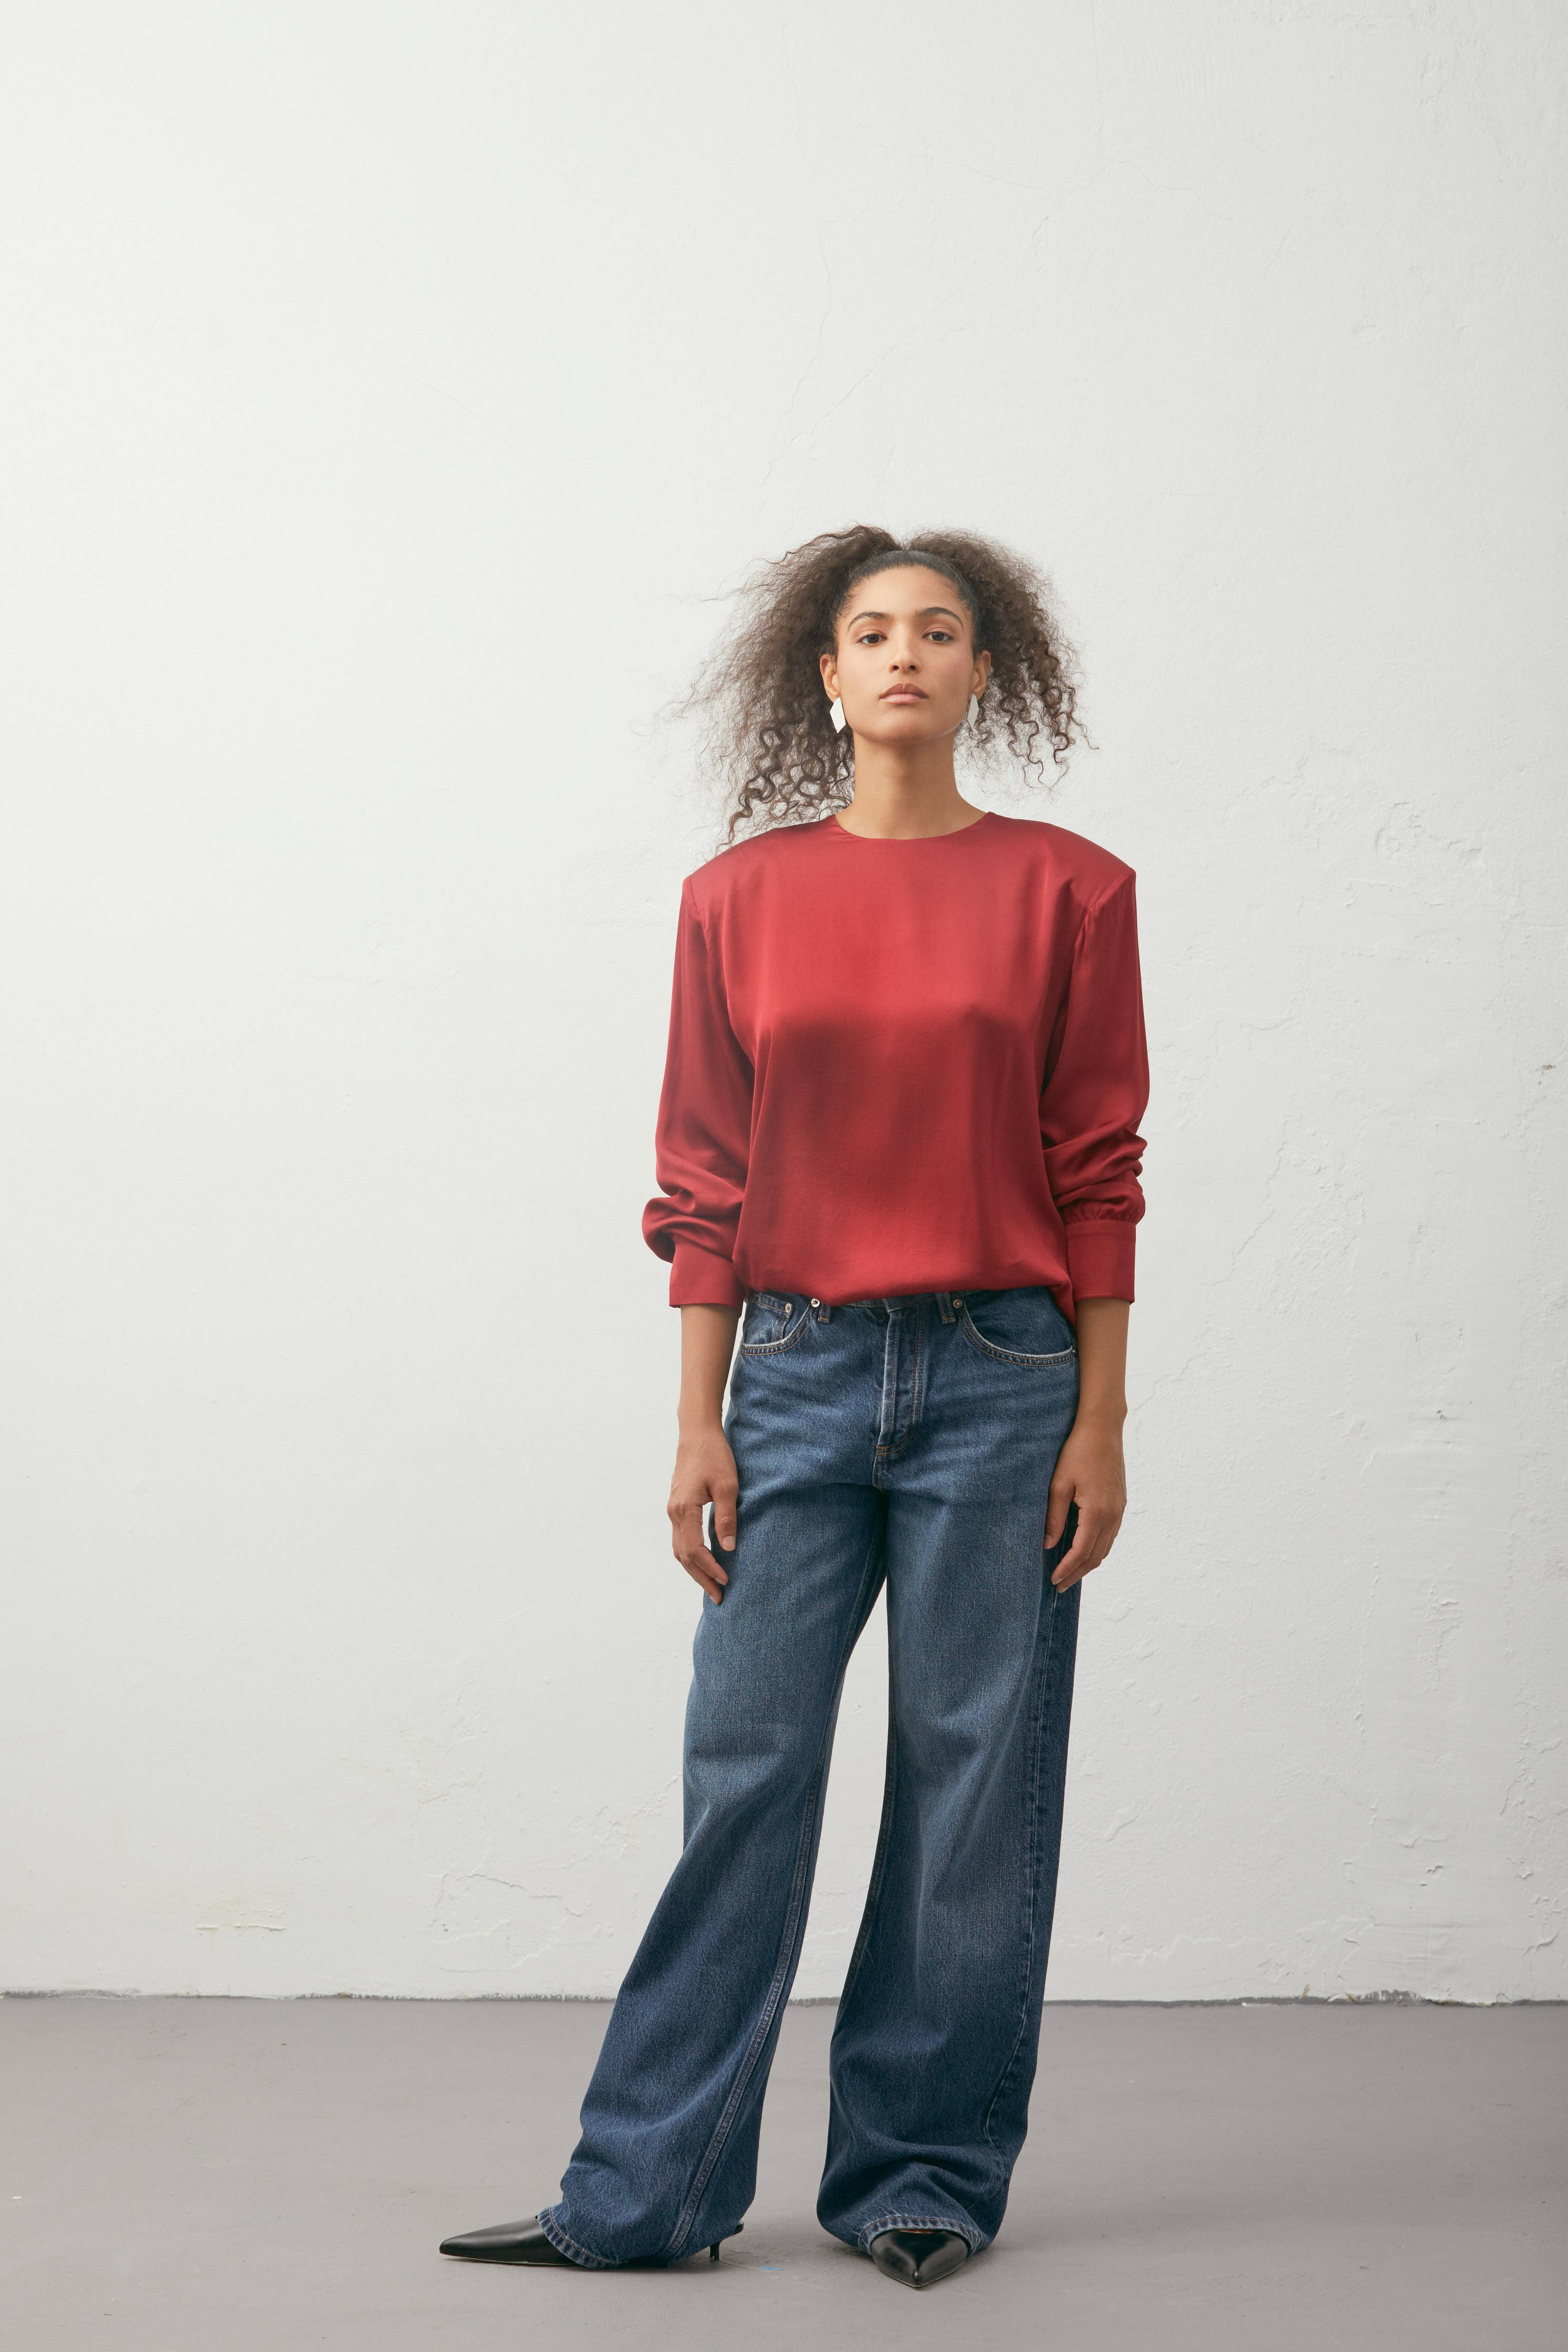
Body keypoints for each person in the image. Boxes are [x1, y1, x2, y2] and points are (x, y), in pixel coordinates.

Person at [439, 525, 1149, 2291]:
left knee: (974, 1792)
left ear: (987, 673)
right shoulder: (735, 899)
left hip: (1004, 1379)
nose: (905, 654)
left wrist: (1103, 1419)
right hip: (794, 1370)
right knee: (745, 1773)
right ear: (822, 676)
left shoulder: (1073, 890)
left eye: (941, 631)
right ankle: (643, 2193)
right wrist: (701, 1421)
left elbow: (1099, 1170)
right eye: (872, 632)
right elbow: (704, 1176)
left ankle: (920, 2179)